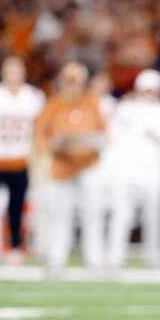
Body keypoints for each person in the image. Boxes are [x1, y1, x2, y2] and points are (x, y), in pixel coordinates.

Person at [107, 69, 160, 269]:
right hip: (127, 170)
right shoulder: (125, 110)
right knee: (121, 214)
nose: (149, 93)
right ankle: (115, 255)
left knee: (154, 216)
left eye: (152, 90)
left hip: (152, 172)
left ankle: (155, 255)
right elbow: (113, 140)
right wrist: (112, 169)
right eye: (145, 89)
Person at [35, 62, 106, 271]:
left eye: (77, 81)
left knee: (92, 214)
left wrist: (77, 140)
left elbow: (103, 137)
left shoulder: (91, 103)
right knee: (59, 215)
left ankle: (95, 259)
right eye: (70, 81)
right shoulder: (53, 105)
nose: (73, 85)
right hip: (61, 168)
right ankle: (57, 258)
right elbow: (41, 137)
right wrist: (56, 144)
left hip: (88, 166)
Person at [0, 57, 45, 264]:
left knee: (17, 207)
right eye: (10, 70)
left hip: (19, 158)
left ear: (23, 72)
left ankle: (15, 247)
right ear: (3, 72)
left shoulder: (33, 96)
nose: (13, 75)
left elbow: (39, 130)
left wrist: (36, 157)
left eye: (17, 70)